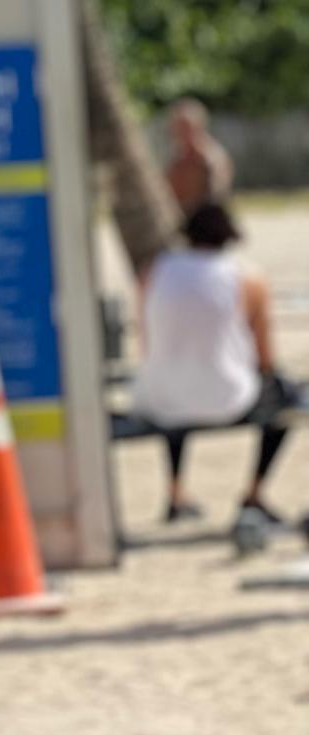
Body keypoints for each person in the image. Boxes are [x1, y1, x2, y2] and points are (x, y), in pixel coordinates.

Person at [134, 201, 294, 526]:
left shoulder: (155, 271)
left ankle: (175, 493)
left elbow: (147, 339)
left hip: (160, 396)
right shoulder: (247, 277)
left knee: (175, 386)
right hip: (226, 397)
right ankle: (253, 494)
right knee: (285, 403)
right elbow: (266, 358)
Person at [164, 97, 234, 216]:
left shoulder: (211, 157)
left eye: (185, 127)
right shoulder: (178, 158)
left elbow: (217, 192)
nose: (180, 132)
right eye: (177, 127)